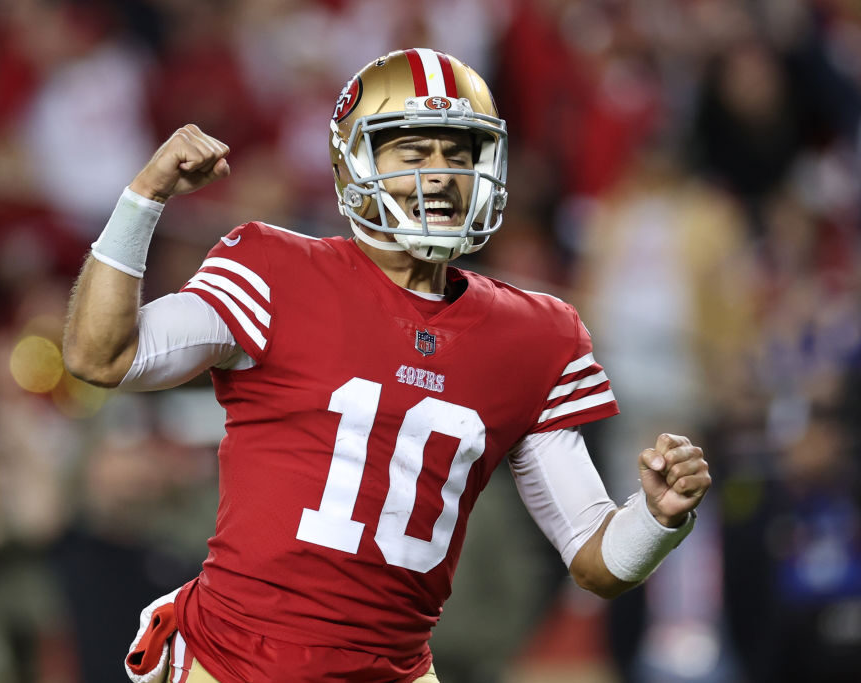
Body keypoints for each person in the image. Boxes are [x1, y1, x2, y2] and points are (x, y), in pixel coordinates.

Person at [62, 48, 711, 683]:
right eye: (414, 151)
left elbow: (594, 559)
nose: (441, 173)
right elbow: (101, 354)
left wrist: (657, 518)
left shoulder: (538, 334)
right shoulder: (273, 267)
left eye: (460, 154)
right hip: (232, 664)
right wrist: (145, 197)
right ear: (354, 164)